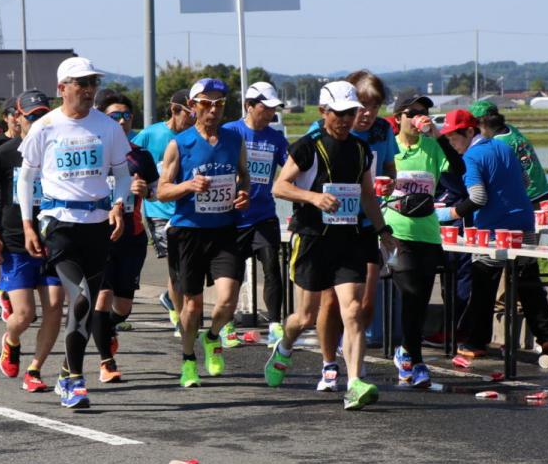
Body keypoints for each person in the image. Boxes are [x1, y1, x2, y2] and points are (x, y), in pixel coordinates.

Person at [267, 81, 391, 410]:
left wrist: (383, 229)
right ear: (324, 112)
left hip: (347, 239)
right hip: (311, 240)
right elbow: (279, 187)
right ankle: (285, 346)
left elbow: (367, 194)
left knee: (353, 311)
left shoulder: (362, 150)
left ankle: (354, 383)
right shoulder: (307, 146)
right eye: (340, 113)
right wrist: (313, 197)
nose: (347, 119)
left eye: (351, 112)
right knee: (304, 316)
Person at [18, 56, 132, 409]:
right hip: (58, 223)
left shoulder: (107, 127)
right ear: (62, 88)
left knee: (89, 306)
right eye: (81, 83)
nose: (88, 90)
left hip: (97, 224)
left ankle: (67, 369)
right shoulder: (45, 127)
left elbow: (122, 172)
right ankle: (75, 379)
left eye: (92, 83)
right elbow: (26, 177)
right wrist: (27, 223)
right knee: (79, 297)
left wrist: (118, 204)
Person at [439, 109, 548, 361]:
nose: (453, 145)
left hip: (493, 230)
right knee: (528, 283)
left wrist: (450, 213)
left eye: (454, 139)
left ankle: (475, 342)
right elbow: (526, 183)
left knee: (484, 285)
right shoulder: (504, 147)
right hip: (524, 222)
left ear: (470, 132)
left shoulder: (471, 157)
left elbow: (478, 197)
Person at [156, 78, 249, 388]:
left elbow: (244, 176)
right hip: (188, 232)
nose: (213, 110)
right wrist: (188, 186)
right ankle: (188, 360)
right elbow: (162, 191)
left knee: (227, 300)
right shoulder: (179, 144)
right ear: (194, 106)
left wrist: (243, 193)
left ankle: (211, 337)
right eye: (206, 104)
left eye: (219, 104)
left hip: (224, 229)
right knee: (192, 306)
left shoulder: (234, 140)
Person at [307, 70, 397, 385]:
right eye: (363, 105)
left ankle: (354, 358)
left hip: (364, 224)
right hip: (329, 228)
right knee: (331, 302)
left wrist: (388, 185)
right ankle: (329, 362)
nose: (368, 113)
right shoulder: (324, 131)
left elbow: (389, 168)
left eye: (375, 106)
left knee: (363, 304)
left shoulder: (384, 131)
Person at [0, 90, 63, 391]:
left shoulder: (59, 151)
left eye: (44, 116)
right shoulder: (6, 152)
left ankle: (35, 369)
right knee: (25, 314)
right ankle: (11, 340)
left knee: (55, 306)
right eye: (32, 116)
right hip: (15, 243)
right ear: (18, 119)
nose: (39, 122)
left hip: (54, 240)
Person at [91, 91, 157, 383]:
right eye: (113, 116)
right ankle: (106, 361)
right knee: (102, 298)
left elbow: (157, 189)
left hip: (132, 236)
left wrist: (146, 191)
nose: (120, 121)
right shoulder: (93, 151)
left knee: (123, 307)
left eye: (126, 116)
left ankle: (110, 327)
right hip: (98, 234)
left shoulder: (140, 155)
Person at [386, 101, 450, 387]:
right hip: (397, 230)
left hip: (428, 232)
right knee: (410, 293)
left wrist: (439, 136)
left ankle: (405, 351)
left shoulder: (432, 147)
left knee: (421, 300)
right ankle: (417, 359)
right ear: (398, 117)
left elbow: (457, 170)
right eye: (410, 114)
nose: (416, 119)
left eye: (421, 113)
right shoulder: (390, 149)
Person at [222, 82, 289, 337]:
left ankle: (274, 324)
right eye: (265, 108)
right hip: (233, 217)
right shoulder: (230, 132)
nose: (270, 114)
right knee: (232, 274)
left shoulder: (276, 138)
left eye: (274, 109)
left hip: (264, 215)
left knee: (272, 267)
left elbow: (292, 169)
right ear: (249, 106)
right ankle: (226, 324)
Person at [133, 88, 194, 330]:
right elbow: (129, 157)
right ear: (175, 110)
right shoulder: (151, 134)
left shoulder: (194, 137)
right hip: (158, 208)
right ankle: (181, 319)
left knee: (186, 264)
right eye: (190, 113)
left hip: (186, 208)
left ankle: (171, 297)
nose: (193, 118)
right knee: (176, 262)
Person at [469, 100, 548, 205]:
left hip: (528, 196)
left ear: (483, 123)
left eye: (475, 127)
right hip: (543, 190)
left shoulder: (497, 144)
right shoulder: (511, 129)